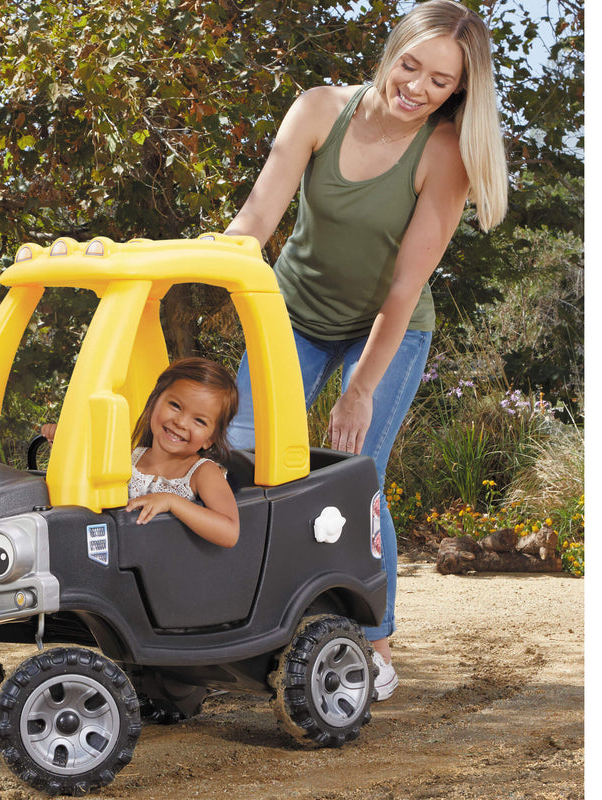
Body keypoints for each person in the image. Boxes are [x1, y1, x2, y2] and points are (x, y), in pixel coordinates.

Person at [224, 0, 508, 700]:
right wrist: (203, 259)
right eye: (411, 65)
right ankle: (234, 619)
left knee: (357, 476)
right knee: (239, 450)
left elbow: (405, 288)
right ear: (392, 49)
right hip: (293, 311)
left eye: (440, 83)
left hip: (389, 328)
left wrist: (359, 391)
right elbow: (259, 215)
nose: (417, 87)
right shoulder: (321, 108)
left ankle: (375, 643)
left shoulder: (444, 155)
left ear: (458, 92)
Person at [42, 357, 240, 548]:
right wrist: (64, 442)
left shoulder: (202, 473)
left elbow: (229, 532)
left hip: (169, 569)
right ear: (154, 401)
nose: (180, 422)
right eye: (175, 406)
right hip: (121, 558)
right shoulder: (127, 457)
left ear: (210, 438)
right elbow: (86, 479)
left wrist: (171, 502)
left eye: (199, 421)